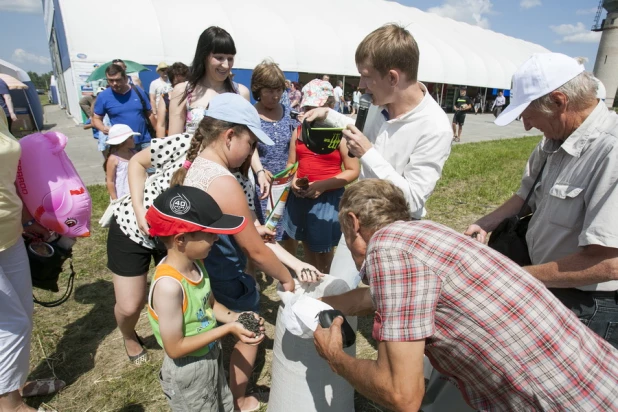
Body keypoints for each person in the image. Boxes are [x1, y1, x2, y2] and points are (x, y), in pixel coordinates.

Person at [314, 179, 618, 411]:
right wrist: (315, 304)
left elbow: (401, 394)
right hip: (600, 379)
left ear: (354, 223)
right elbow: (372, 299)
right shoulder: (425, 235)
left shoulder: (386, 250)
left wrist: (335, 357)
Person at [134, 93, 294, 411]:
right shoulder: (223, 181)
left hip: (207, 267)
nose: (252, 152)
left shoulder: (195, 165)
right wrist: (286, 277)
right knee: (252, 331)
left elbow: (215, 222)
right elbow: (256, 252)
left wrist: (250, 228)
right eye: (251, 144)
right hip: (224, 268)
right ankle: (238, 397)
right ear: (230, 135)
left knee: (208, 316)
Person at [465, 52, 618, 348]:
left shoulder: (610, 153)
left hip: (588, 306)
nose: (526, 126)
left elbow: (609, 263)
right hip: (549, 284)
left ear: (560, 102)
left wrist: (514, 277)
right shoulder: (553, 142)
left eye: (528, 114)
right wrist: (483, 224)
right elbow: (526, 196)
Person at [303, 23, 452, 288]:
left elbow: (414, 201)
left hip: (395, 234)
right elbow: (358, 130)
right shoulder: (379, 106)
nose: (361, 85)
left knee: (389, 304)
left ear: (393, 78)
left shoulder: (434, 126)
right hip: (357, 217)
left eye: (366, 76)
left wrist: (368, 154)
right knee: (339, 289)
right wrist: (328, 115)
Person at [145, 185, 265, 412]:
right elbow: (175, 348)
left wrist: (234, 317)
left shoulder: (196, 264)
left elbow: (211, 305)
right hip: (188, 371)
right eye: (209, 234)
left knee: (222, 403)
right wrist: (227, 330)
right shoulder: (169, 287)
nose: (216, 239)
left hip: (211, 355)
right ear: (181, 239)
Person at [0, 110, 65, 411]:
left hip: (10, 231)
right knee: (11, 323)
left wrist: (26, 220)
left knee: (23, 312)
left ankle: (15, 384)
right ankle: (10, 405)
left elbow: (7, 173)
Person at [283, 79, 360, 273]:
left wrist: (323, 185)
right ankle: (312, 282)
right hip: (301, 197)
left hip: (328, 199)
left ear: (330, 107)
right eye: (308, 107)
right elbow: (291, 164)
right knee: (307, 243)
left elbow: (352, 170)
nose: (313, 112)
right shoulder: (299, 131)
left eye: (318, 107)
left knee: (325, 250)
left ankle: (325, 284)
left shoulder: (339, 134)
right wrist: (293, 181)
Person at [168, 26, 251, 136]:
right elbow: (173, 142)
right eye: (219, 57)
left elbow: (247, 140)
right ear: (204, 56)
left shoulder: (241, 93)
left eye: (230, 58)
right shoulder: (182, 91)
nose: (226, 65)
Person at [250, 60, 295, 241]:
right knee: (263, 236)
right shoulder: (251, 115)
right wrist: (260, 170)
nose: (275, 96)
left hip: (287, 185)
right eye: (269, 91)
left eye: (278, 90)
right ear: (258, 90)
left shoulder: (289, 113)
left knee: (286, 236)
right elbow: (249, 148)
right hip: (262, 187)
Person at [92, 64, 155, 152]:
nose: (114, 84)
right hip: (122, 145)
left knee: (151, 166)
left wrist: (158, 135)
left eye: (118, 80)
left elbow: (150, 114)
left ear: (125, 78)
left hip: (145, 141)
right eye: (111, 80)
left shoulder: (137, 91)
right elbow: (96, 118)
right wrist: (103, 128)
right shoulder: (103, 96)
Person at [104, 124, 137, 200]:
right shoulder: (114, 159)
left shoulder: (135, 154)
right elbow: (110, 181)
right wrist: (114, 199)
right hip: (121, 194)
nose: (134, 140)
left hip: (135, 190)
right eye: (131, 138)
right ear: (123, 141)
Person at [156, 62, 189, 138]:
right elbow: (161, 124)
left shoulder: (193, 97)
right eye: (178, 83)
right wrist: (162, 145)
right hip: (173, 139)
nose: (181, 87)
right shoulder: (165, 97)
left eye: (183, 82)